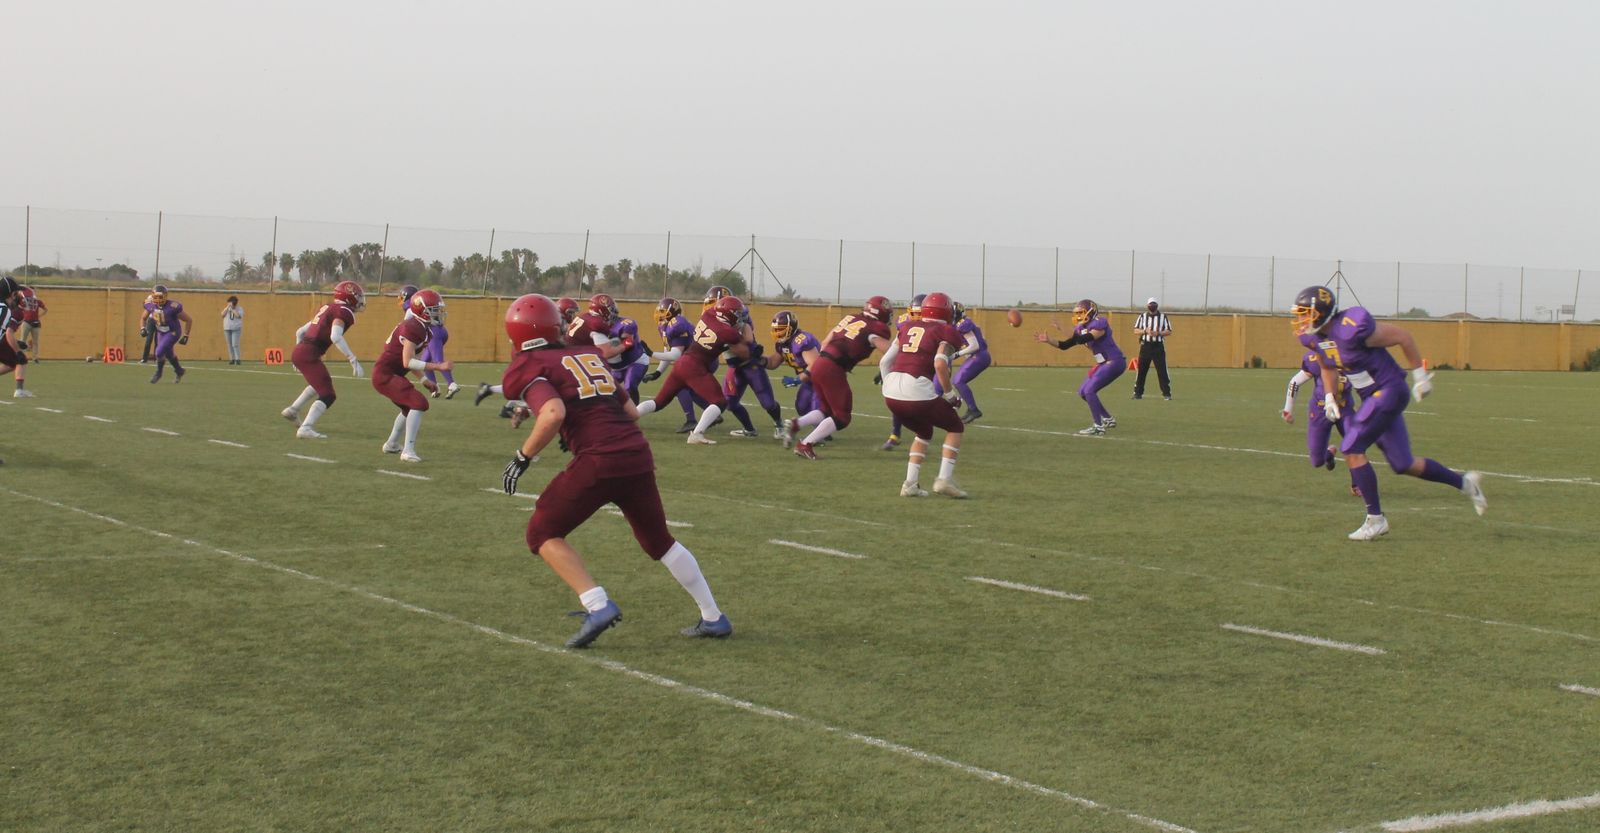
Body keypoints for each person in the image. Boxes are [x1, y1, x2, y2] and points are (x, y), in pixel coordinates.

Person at [498, 293, 731, 648]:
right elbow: (630, 412)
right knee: (660, 541)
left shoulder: (528, 364)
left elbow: (554, 412)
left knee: (541, 532)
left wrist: (523, 456)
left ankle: (597, 605)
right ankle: (713, 616)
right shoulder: (588, 354)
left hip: (598, 459)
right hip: (635, 453)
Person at [1291, 285, 1486, 540]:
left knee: (1351, 447)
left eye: (1306, 313)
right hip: (1372, 398)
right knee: (1403, 464)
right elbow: (1327, 366)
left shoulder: (1351, 328)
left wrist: (1420, 377)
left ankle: (1376, 519)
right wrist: (1329, 397)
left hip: (1389, 389)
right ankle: (1466, 484)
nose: (1302, 320)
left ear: (1322, 312)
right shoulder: (1316, 338)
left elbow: (1403, 336)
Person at [879, 291, 968, 498]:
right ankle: (944, 480)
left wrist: (890, 386)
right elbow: (939, 364)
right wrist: (950, 395)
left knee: (924, 431)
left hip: (890, 391)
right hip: (915, 388)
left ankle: (910, 484)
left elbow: (884, 362)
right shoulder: (945, 331)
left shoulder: (906, 326)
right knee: (955, 426)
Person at [632, 294, 752, 445]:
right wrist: (746, 327)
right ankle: (696, 434)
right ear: (730, 314)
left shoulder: (708, 315)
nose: (740, 317)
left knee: (659, 402)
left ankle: (625, 419)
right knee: (720, 402)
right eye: (738, 314)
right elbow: (746, 347)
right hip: (695, 367)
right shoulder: (728, 332)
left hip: (681, 363)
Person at [786, 295, 894, 459]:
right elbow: (890, 351)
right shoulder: (875, 329)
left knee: (826, 410)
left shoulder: (851, 318)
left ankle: (797, 424)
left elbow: (825, 343)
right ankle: (805, 444)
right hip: (833, 368)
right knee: (842, 417)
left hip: (820, 362)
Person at [371, 289, 452, 462]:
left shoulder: (425, 329)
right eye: (434, 310)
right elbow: (408, 362)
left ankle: (392, 444)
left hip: (392, 373)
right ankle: (408, 451)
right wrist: (438, 366)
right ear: (422, 310)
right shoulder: (413, 327)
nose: (438, 313)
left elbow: (412, 360)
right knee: (418, 403)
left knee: (409, 407)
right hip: (385, 374)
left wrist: (424, 379)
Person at [281, 280, 365, 439]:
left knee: (318, 384)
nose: (360, 300)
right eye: (358, 296)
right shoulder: (344, 311)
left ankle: (293, 410)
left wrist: (297, 354)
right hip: (310, 353)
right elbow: (335, 336)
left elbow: (300, 332)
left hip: (301, 351)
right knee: (328, 395)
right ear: (349, 297)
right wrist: (353, 359)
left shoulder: (327, 307)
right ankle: (306, 428)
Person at [1035, 299, 1124, 435]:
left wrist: (1062, 328)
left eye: (1081, 312)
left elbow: (1082, 339)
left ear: (1091, 312)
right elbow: (1065, 345)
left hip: (1114, 361)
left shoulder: (1099, 323)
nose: (1078, 316)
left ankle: (1098, 427)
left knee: (1089, 391)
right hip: (1102, 363)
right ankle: (1107, 418)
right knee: (1083, 392)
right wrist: (1049, 340)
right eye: (1077, 313)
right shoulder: (1081, 328)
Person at [644, 297, 707, 434]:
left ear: (671, 312)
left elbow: (675, 355)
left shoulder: (677, 325)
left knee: (679, 387)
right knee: (688, 389)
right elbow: (668, 351)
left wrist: (651, 353)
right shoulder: (667, 326)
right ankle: (712, 411)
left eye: (662, 311)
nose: (659, 315)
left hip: (702, 361)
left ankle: (692, 420)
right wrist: (658, 372)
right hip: (696, 361)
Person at [1281, 348, 1350, 472]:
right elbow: (1295, 382)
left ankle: (1358, 480)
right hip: (1320, 409)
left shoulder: (1352, 354)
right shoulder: (1314, 358)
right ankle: (1329, 454)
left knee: (1356, 446)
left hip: (1345, 408)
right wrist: (1287, 409)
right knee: (1317, 461)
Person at [767, 310, 822, 443]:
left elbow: (815, 366)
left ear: (791, 328)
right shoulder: (782, 344)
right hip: (809, 381)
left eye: (780, 329)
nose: (777, 333)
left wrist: (797, 380)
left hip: (822, 379)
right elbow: (773, 362)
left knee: (817, 407)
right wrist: (758, 360)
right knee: (802, 407)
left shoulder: (801, 340)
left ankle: (819, 437)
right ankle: (823, 428)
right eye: (776, 329)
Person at [881, 294, 924, 451]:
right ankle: (897, 434)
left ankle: (912, 435)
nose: (917, 316)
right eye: (915, 312)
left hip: (925, 365)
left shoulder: (935, 325)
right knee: (901, 398)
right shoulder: (904, 323)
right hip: (914, 364)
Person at [140, 284, 194, 384]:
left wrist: (186, 335)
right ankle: (179, 370)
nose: (158, 300)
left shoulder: (172, 307)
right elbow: (143, 318)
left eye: (160, 297)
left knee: (159, 352)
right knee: (169, 354)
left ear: (165, 296)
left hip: (173, 332)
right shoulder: (150, 305)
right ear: (152, 297)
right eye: (156, 297)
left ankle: (158, 373)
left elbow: (188, 320)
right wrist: (142, 328)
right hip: (161, 332)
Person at [949, 301, 991, 423]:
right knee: (958, 381)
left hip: (979, 355)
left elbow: (974, 345)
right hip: (978, 355)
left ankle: (973, 410)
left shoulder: (962, 324)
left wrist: (956, 354)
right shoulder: (960, 324)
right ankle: (971, 409)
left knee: (958, 381)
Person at [418, 293, 459, 399]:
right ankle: (435, 387)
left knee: (438, 362)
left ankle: (452, 384)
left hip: (434, 333)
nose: (438, 312)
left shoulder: (414, 309)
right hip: (439, 331)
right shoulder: (421, 305)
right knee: (425, 363)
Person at [1131, 297, 1173, 400]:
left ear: (1157, 306)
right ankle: (1138, 393)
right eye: (1150, 304)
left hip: (1158, 346)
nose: (1152, 306)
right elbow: (1135, 330)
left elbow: (1169, 331)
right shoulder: (1142, 317)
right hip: (1146, 346)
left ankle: (1166, 393)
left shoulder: (1163, 317)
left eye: (1154, 304)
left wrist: (1158, 333)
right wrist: (1145, 331)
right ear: (1147, 306)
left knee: (1162, 370)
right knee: (1141, 370)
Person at [1, 277, 32, 401]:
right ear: (11, 294)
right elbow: (8, 332)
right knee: (19, 359)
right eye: (16, 292)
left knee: (12, 363)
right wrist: (17, 351)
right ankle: (19, 391)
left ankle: (19, 390)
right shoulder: (7, 310)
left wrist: (17, 343)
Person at [15, 287, 46, 363]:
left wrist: (39, 316)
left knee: (35, 341)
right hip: (26, 322)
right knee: (23, 340)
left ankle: (35, 358)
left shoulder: (38, 301)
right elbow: (18, 307)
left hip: (35, 323)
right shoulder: (24, 300)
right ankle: (22, 357)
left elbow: (45, 309)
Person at [220, 295, 244, 364]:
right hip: (227, 328)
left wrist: (233, 309)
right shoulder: (227, 308)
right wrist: (227, 308)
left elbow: (238, 316)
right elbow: (222, 315)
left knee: (235, 344)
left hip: (236, 328)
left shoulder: (239, 309)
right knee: (229, 345)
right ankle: (232, 359)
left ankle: (238, 359)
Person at [138, 292, 157, 363]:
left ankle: (157, 358)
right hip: (151, 320)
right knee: (148, 339)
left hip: (159, 321)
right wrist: (142, 328)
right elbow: (145, 305)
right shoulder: (150, 297)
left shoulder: (163, 298)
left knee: (158, 340)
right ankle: (144, 358)